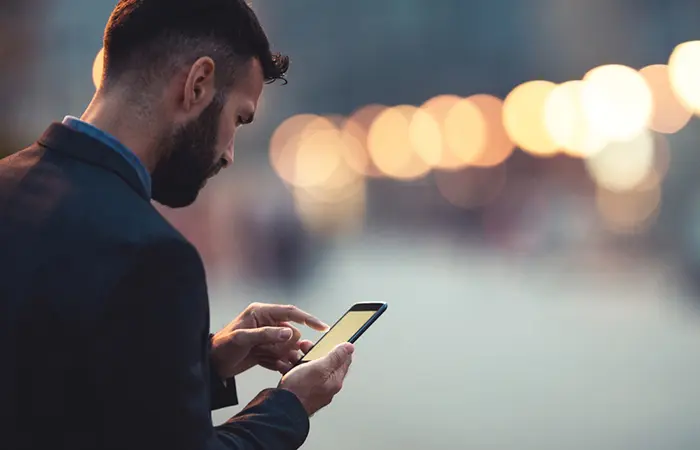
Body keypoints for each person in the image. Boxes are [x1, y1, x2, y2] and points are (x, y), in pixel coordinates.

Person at [0, 1, 355, 449]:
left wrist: (204, 363)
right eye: (238, 119)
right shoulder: (153, 255)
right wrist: (289, 406)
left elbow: (51, 395)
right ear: (198, 85)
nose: (229, 154)